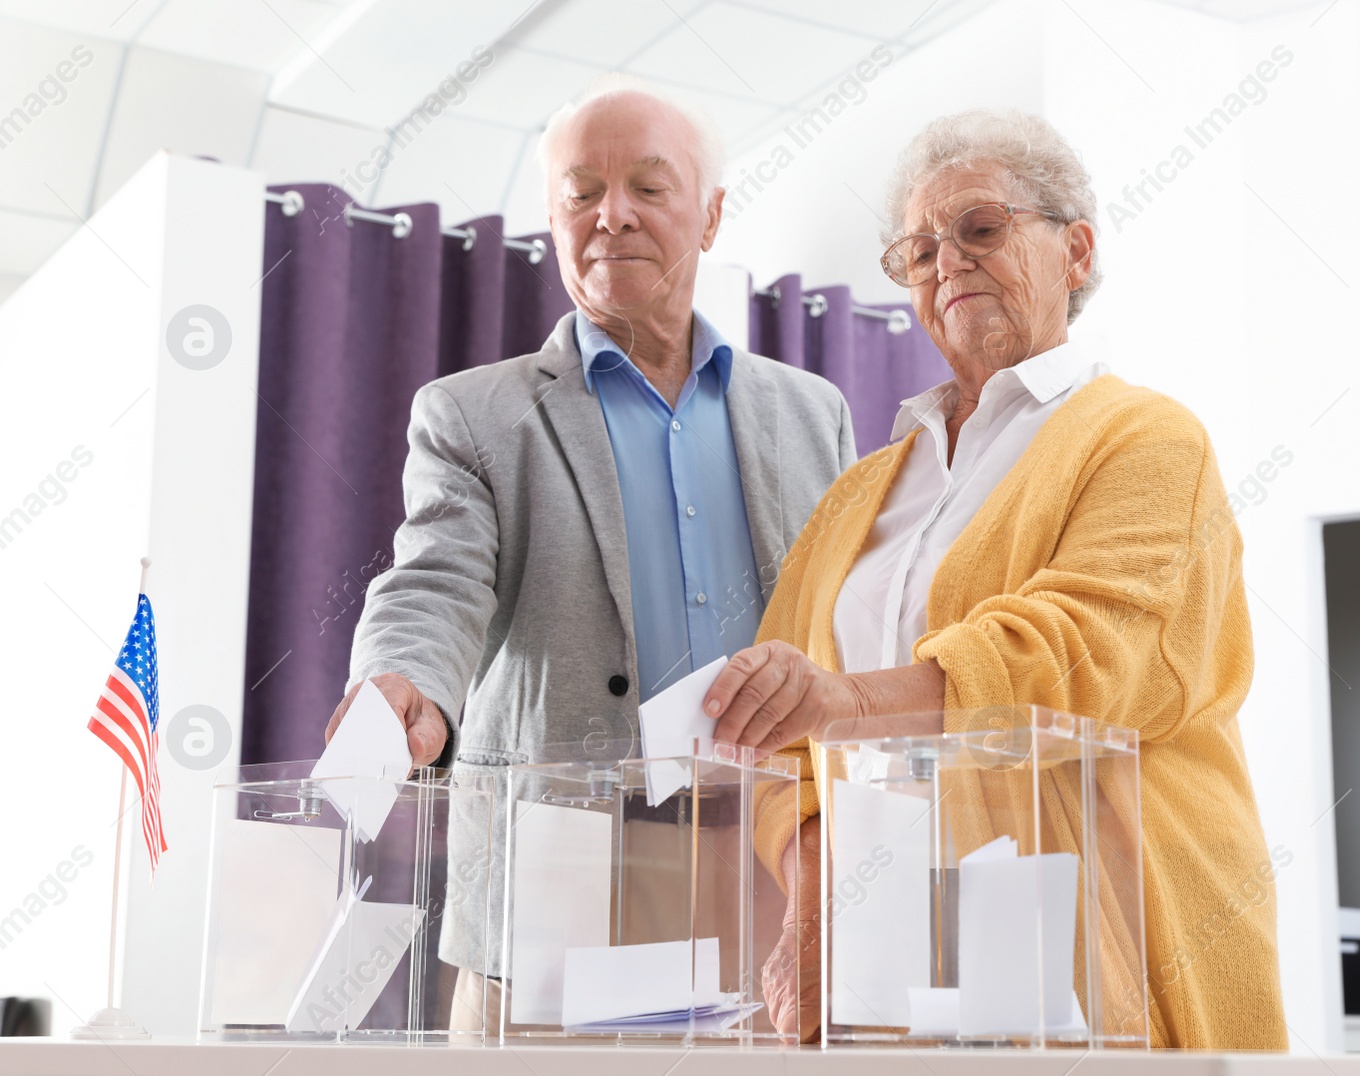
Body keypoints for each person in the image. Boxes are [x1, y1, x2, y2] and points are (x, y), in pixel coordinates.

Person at [704, 108, 1288, 1049]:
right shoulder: (858, 493)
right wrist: (817, 906)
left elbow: (1086, 652)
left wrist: (842, 700)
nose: (948, 263)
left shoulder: (1147, 437)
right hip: (888, 964)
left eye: (980, 229)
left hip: (1104, 944)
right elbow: (782, 741)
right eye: (919, 251)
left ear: (1075, 250)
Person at [328, 76, 854, 1027]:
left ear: (711, 214)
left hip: (767, 872)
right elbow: (435, 577)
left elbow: (847, 616)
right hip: (548, 883)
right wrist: (404, 675)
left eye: (650, 188)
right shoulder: (471, 414)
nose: (612, 215)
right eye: (582, 193)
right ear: (553, 220)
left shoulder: (813, 412)